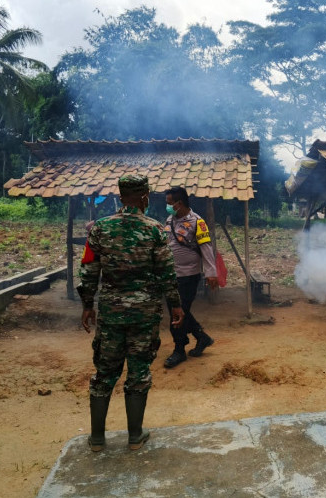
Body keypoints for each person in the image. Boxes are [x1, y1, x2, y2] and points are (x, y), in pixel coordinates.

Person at [77, 174, 184, 452]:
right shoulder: (155, 230)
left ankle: (98, 439)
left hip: (111, 313)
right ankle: (135, 436)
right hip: (144, 314)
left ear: (121, 196)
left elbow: (88, 268)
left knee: (104, 372)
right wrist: (175, 304)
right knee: (138, 371)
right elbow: (166, 273)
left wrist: (88, 304)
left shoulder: (99, 229)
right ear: (146, 197)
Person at [163, 186, 219, 368]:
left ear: (179, 203)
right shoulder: (169, 219)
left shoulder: (198, 222)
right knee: (181, 310)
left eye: (170, 204)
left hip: (188, 275)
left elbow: (206, 248)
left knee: (177, 313)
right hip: (171, 274)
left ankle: (179, 350)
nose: (168, 207)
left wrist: (211, 273)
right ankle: (202, 337)